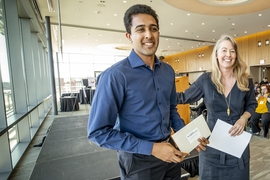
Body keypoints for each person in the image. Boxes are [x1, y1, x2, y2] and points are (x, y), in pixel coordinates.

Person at [87, 4, 208, 180]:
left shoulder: (167, 71)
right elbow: (98, 132)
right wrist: (152, 148)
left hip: (170, 152)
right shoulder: (115, 76)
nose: (149, 35)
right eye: (140, 29)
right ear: (129, 36)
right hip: (138, 161)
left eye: (153, 29)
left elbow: (171, 110)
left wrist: (190, 137)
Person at [177, 34, 257, 180]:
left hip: (237, 147)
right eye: (224, 50)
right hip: (211, 147)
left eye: (232, 51)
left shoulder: (246, 80)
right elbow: (183, 98)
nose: (228, 55)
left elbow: (252, 104)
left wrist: (243, 118)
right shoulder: (206, 80)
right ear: (217, 55)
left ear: (236, 55)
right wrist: (157, 90)